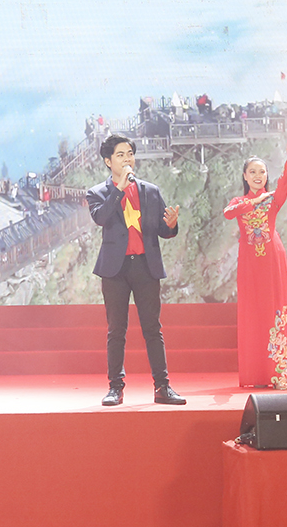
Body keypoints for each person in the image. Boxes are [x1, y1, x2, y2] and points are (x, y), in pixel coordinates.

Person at [86, 134, 187, 407]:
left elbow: (163, 231)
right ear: (108, 161)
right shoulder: (97, 193)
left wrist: (171, 225)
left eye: (130, 153)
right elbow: (101, 218)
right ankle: (115, 388)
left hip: (145, 265)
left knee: (153, 328)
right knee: (116, 330)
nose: (127, 159)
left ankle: (162, 387)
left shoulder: (150, 191)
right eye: (120, 155)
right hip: (115, 270)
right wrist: (119, 189)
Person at [223, 134, 287, 390]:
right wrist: (253, 201)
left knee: (275, 308)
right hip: (249, 263)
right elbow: (228, 213)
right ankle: (258, 374)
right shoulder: (239, 202)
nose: (258, 176)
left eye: (262, 172)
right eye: (253, 172)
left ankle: (280, 373)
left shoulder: (273, 199)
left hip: (272, 259)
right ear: (245, 176)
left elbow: (284, 184)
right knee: (253, 312)